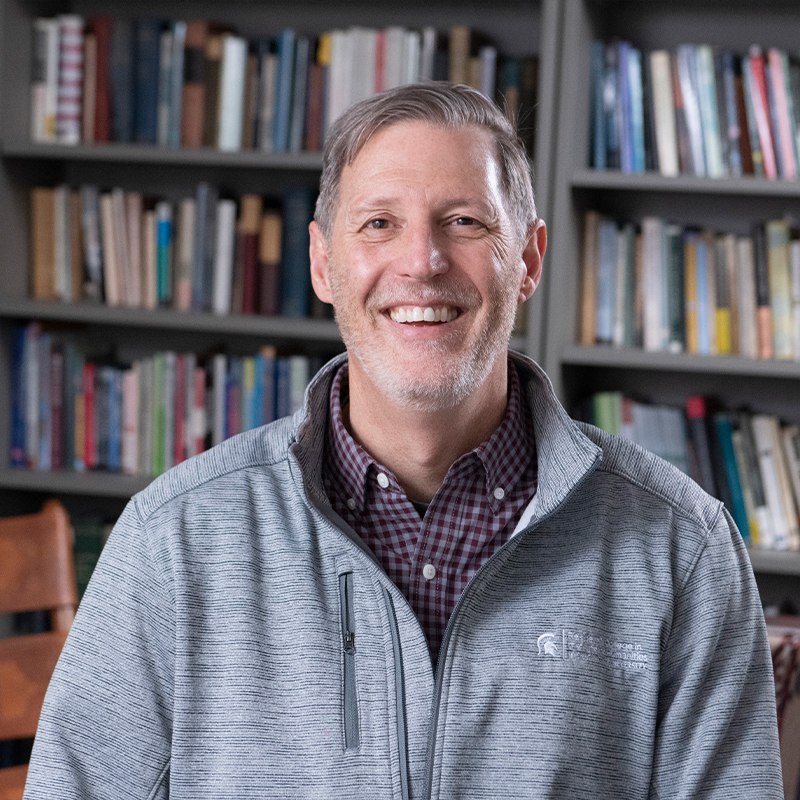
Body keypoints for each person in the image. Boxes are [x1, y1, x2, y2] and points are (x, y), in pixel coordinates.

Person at [25, 83, 781, 799]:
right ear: (324, 262)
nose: (422, 262)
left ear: (528, 260)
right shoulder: (173, 539)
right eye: (379, 223)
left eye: (465, 221)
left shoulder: (681, 547)